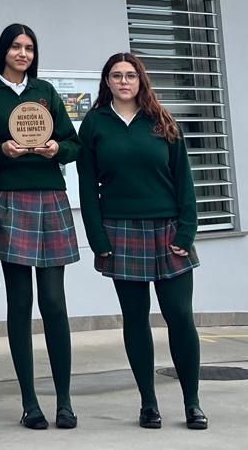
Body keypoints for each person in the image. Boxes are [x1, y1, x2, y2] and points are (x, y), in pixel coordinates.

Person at [76, 52, 206, 431]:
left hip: (168, 231)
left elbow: (185, 180)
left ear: (140, 80)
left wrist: (187, 231)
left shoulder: (162, 121)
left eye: (130, 75)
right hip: (120, 232)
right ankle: (148, 404)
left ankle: (192, 403)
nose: (123, 81)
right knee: (135, 319)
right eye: (115, 75)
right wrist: (98, 238)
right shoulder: (95, 125)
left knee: (180, 317)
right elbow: (86, 188)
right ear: (107, 82)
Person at [0, 24, 80, 429]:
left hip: (50, 198)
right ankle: (30, 402)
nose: (23, 54)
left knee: (54, 301)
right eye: (16, 47)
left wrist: (58, 149)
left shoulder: (46, 93)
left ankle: (65, 401)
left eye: (29, 48)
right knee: (20, 303)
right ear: (3, 51)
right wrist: (1, 151)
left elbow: (73, 144)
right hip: (9, 201)